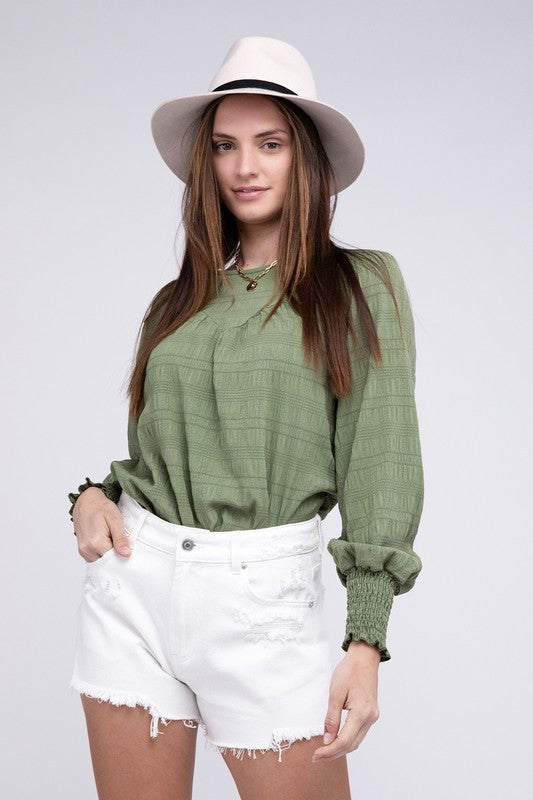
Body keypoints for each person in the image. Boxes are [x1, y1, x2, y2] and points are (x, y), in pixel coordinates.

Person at [67, 36, 424, 800]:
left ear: (307, 160)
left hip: (262, 603)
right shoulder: (176, 304)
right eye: (225, 146)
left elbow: (380, 458)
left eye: (270, 144)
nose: (243, 167)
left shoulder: (358, 285)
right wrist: (90, 497)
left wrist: (365, 641)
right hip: (134, 592)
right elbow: (157, 456)